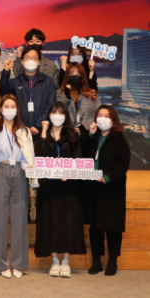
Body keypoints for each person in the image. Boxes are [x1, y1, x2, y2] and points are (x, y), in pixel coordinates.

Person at [0, 94, 35, 279]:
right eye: (6, 106)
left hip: (19, 172)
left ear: (17, 109)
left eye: (13, 106)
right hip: (0, 170)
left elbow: (28, 155)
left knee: (20, 218)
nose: (10, 109)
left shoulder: (24, 131)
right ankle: (1, 264)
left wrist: (29, 169)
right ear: (1, 109)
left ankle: (19, 264)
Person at [34, 102, 86, 278]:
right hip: (49, 186)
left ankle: (65, 262)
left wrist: (69, 173)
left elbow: (78, 159)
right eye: (54, 112)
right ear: (49, 115)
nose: (57, 115)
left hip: (68, 186)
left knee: (68, 223)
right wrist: (43, 131)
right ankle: (54, 261)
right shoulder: (44, 134)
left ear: (65, 116)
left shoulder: (72, 135)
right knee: (51, 222)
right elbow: (38, 155)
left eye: (61, 112)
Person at [80, 105, 130, 276]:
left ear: (113, 119)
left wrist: (108, 177)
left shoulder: (118, 138)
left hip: (112, 189)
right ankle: (96, 260)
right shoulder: (92, 137)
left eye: (106, 116)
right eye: (99, 115)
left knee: (113, 227)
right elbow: (83, 155)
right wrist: (90, 135)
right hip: (93, 188)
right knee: (95, 227)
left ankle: (112, 260)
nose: (102, 118)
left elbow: (123, 163)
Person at [0, 45, 56, 137]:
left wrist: (38, 125)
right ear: (22, 61)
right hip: (20, 130)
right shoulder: (16, 81)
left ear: (39, 62)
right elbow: (3, 93)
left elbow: (50, 104)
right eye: (28, 58)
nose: (31, 61)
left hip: (42, 130)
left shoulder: (47, 81)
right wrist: (6, 71)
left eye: (34, 58)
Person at [56, 63, 101, 130]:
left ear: (82, 76)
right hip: (67, 131)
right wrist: (66, 96)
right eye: (71, 73)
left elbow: (98, 113)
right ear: (67, 76)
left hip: (87, 131)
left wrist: (83, 127)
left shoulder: (92, 93)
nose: (75, 76)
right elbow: (58, 111)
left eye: (78, 73)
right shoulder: (60, 92)